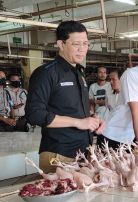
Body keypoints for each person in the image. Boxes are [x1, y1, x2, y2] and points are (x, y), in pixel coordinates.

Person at [25, 20, 105, 173]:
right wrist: (79, 122)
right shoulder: (46, 73)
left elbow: (74, 109)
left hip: (84, 152)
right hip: (59, 154)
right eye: (76, 44)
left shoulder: (79, 73)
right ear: (61, 44)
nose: (82, 49)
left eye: (86, 43)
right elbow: (34, 114)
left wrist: (93, 119)